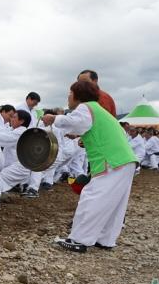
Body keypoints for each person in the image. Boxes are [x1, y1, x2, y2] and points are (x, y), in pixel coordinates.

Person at [42, 81, 138, 253]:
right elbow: (108, 132)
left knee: (92, 197)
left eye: (70, 93)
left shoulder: (86, 107)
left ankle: (79, 240)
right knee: (114, 203)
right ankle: (105, 239)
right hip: (125, 160)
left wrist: (54, 118)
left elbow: (77, 122)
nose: (68, 97)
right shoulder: (102, 111)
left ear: (78, 95)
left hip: (112, 161)